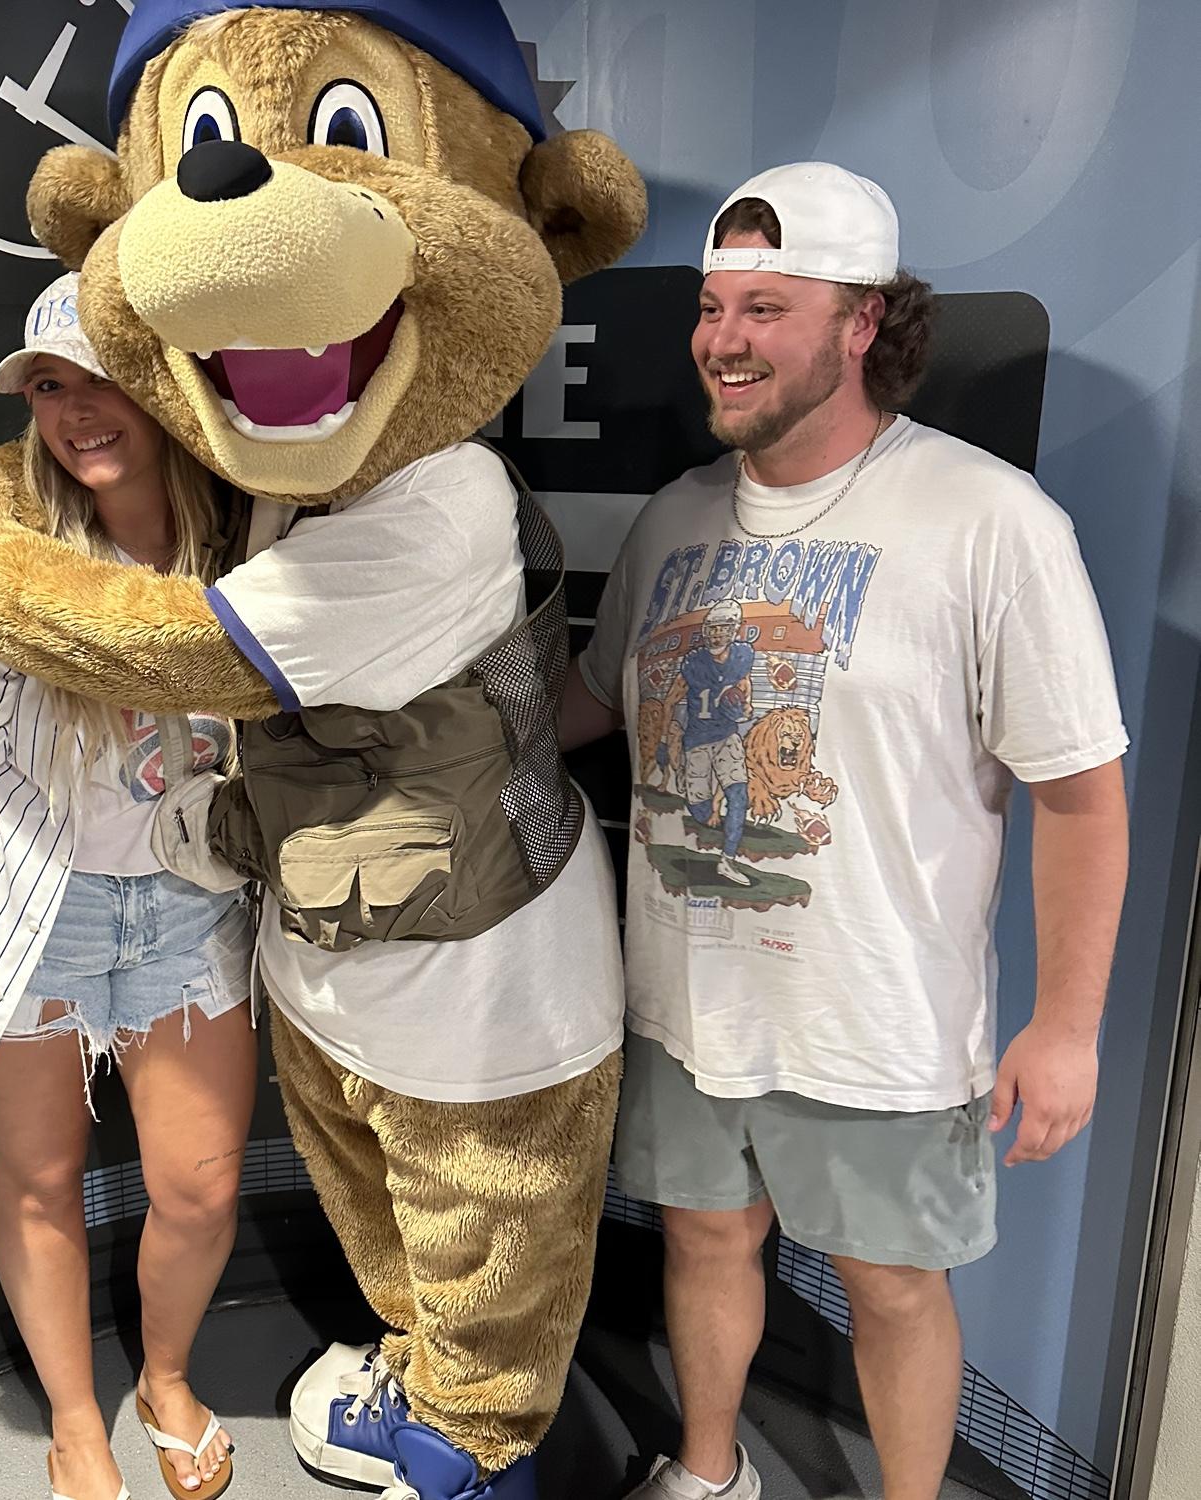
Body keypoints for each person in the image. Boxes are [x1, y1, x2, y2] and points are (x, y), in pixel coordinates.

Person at [561, 163, 1130, 1500]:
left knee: (893, 1288)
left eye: (767, 308)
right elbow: (590, 705)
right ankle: (710, 1472)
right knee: (704, 1242)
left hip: (878, 1020)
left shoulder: (991, 522)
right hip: (687, 1006)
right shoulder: (679, 516)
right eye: (714, 307)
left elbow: (1080, 792)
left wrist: (1066, 1028)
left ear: (864, 321)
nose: (724, 339)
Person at [0, 274, 254, 1500]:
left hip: (191, 909)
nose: (78, 410)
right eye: (50, 386)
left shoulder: (249, 552)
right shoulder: (3, 575)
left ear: (166, 390)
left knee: (199, 1190)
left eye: (105, 380)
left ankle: (165, 1378)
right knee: (38, 1185)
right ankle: (76, 1421)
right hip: (34, 920)